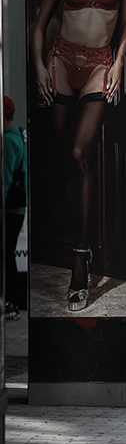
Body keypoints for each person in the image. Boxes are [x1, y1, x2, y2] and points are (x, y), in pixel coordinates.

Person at [31, 0, 126, 311]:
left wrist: (120, 61)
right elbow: (40, 24)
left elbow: (125, 24)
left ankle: (80, 257)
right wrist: (39, 66)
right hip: (60, 61)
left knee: (79, 153)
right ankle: (80, 244)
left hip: (98, 65)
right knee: (65, 163)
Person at [4, 97, 27, 319]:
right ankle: (11, 300)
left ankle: (11, 301)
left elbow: (6, 177)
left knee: (6, 253)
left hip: (10, 207)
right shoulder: (19, 136)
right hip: (17, 206)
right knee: (8, 252)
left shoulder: (9, 140)